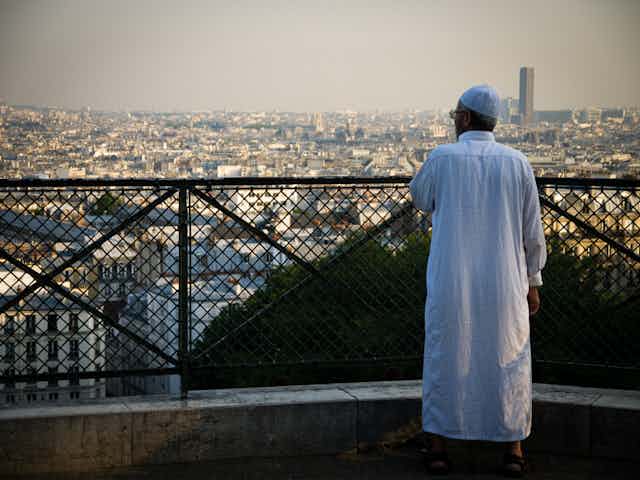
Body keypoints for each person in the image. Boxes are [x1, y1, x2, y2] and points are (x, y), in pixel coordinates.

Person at [409, 85, 547, 477]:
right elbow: (532, 231)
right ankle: (513, 449)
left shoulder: (442, 157)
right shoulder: (517, 162)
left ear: (466, 118)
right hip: (506, 282)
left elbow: (420, 198)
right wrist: (533, 280)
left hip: (452, 280)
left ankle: (438, 447)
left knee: (445, 358)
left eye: (455, 114)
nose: (454, 120)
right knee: (508, 359)